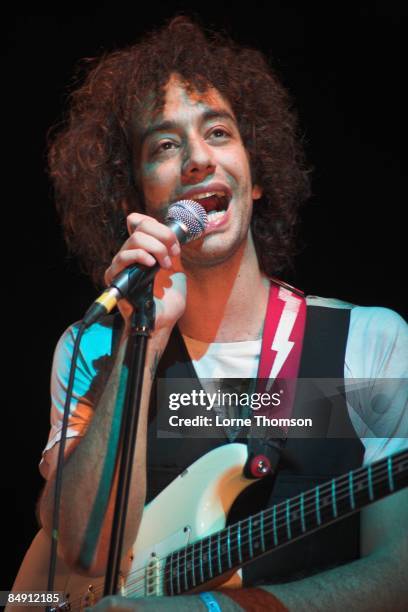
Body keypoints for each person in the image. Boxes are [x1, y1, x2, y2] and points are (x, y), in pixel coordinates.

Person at [33, 16, 407, 611]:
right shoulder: (95, 349)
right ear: (134, 199)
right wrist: (143, 341)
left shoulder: (371, 342)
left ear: (255, 178)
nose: (198, 159)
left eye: (219, 133)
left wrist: (216, 609)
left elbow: (399, 578)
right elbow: (78, 553)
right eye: (164, 145)